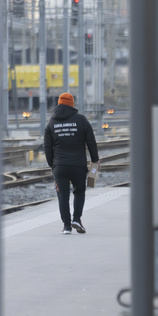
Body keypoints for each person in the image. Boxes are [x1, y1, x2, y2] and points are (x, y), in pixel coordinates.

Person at [43, 92, 99, 234]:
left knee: (63, 195)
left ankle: (66, 226)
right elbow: (91, 142)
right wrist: (95, 161)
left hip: (59, 166)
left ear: (59, 103)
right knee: (79, 192)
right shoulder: (81, 120)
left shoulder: (51, 122)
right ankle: (77, 219)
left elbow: (47, 147)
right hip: (78, 165)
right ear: (72, 104)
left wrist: (53, 164)